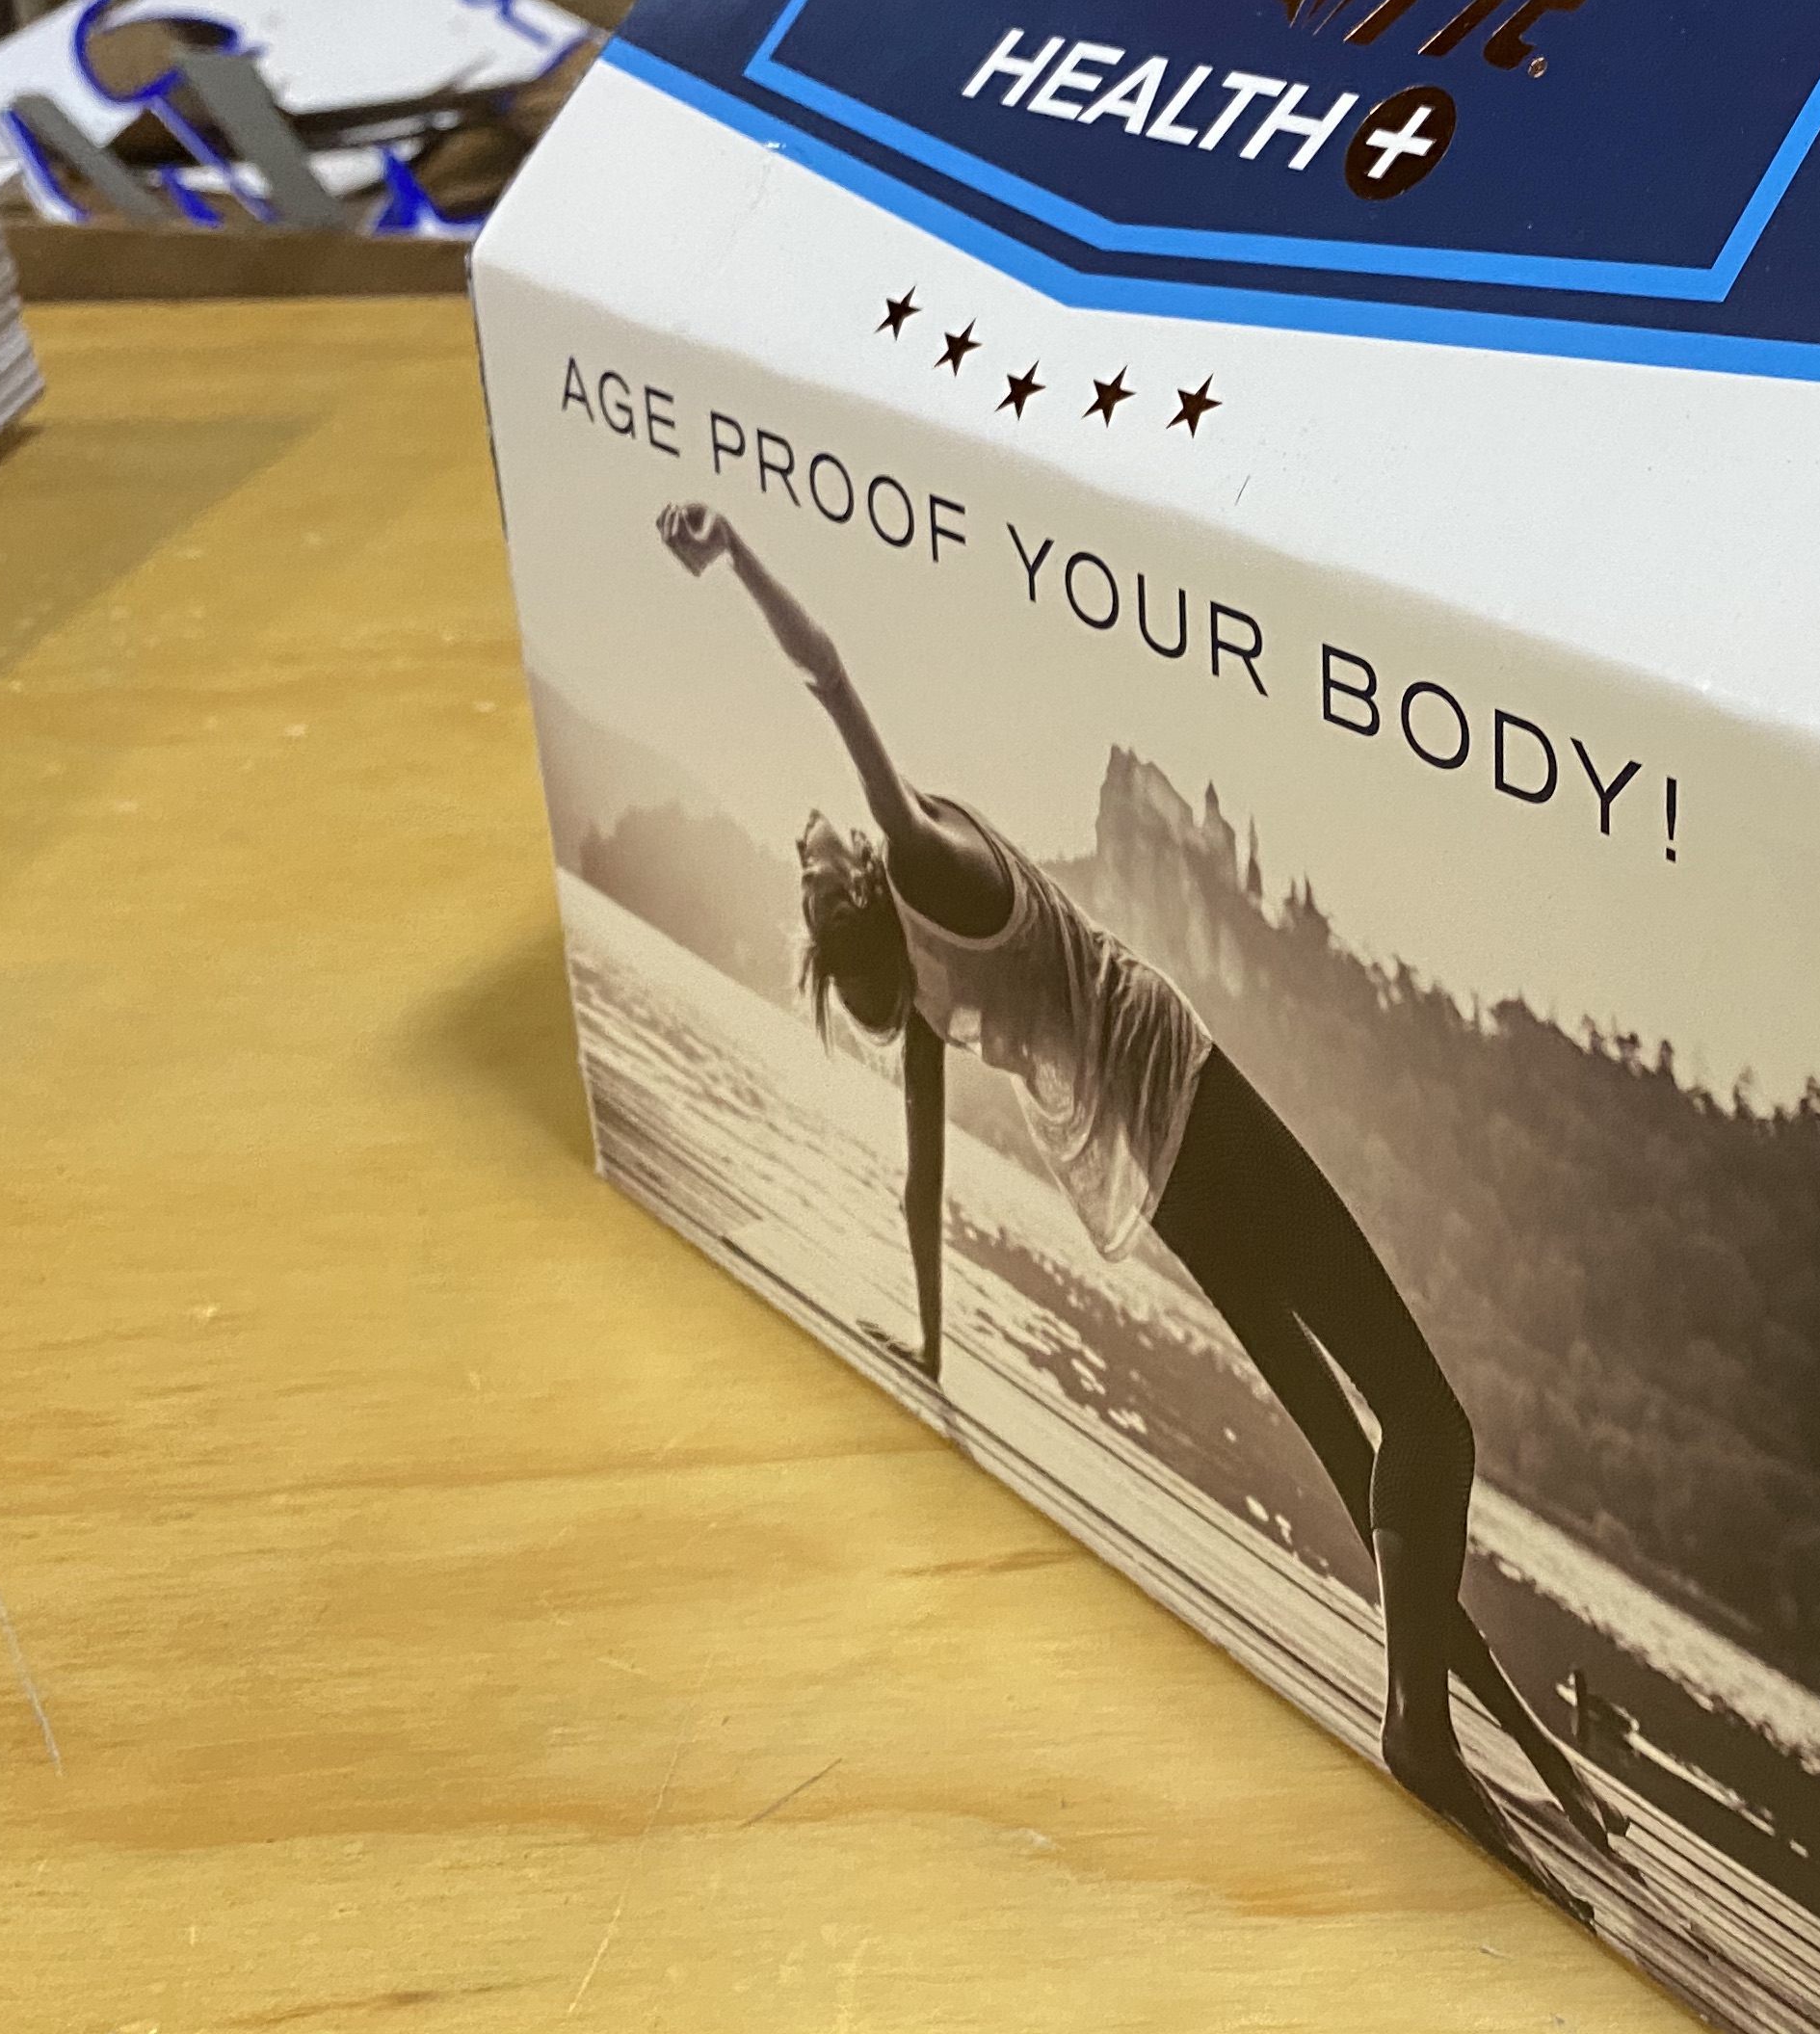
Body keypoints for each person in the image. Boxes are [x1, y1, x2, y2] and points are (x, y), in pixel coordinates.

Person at [655, 500, 1619, 1877]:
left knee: (1364, 1464)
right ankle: (1423, 1735)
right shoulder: (917, 885)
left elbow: (924, 1182)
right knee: (1430, 1424)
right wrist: (737, 551)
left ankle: (1508, 1748)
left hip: (1159, 1179)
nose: (824, 836)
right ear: (862, 891)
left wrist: (926, 1343)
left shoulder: (919, 938)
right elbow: (828, 677)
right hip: (1195, 1103)